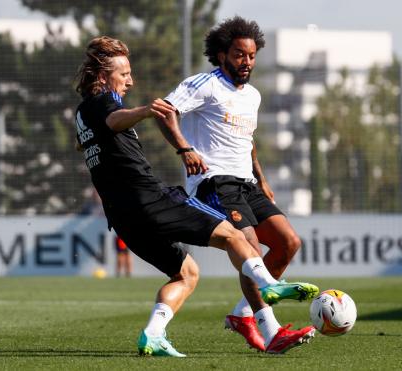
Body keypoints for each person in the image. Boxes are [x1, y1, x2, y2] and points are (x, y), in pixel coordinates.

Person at [73, 36, 318, 357]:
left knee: (186, 274)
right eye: (124, 74)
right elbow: (114, 120)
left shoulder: (81, 114)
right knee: (232, 235)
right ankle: (268, 287)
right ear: (104, 77)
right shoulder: (105, 102)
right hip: (148, 199)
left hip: (121, 217)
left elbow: (89, 140)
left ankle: (154, 333)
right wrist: (145, 111)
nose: (130, 80)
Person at [160, 17, 310, 351]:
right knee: (251, 249)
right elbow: (165, 111)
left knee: (289, 243)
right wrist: (184, 149)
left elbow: (247, 140)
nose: (247, 62)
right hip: (215, 183)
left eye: (252, 56)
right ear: (223, 54)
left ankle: (243, 314)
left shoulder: (253, 96)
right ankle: (270, 331)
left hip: (248, 184)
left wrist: (262, 178)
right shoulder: (205, 84)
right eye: (240, 55)